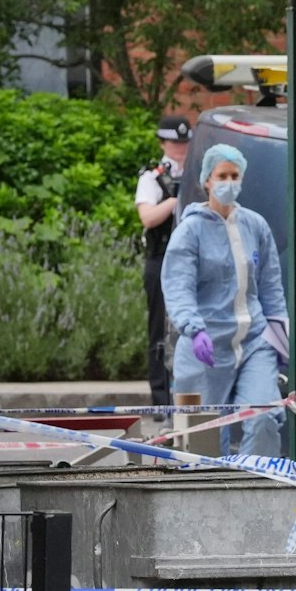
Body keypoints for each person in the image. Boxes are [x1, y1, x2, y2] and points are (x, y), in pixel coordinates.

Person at [160, 143, 289, 457]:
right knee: (201, 438)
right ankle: (206, 498)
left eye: (235, 175)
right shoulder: (190, 232)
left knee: (264, 417)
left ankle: (257, 488)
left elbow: (271, 287)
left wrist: (280, 338)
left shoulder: (255, 226)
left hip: (254, 342)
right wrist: (193, 328)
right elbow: (178, 287)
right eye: (222, 175)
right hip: (205, 345)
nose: (229, 182)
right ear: (207, 180)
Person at [136, 115, 192, 407]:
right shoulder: (152, 176)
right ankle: (161, 401)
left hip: (190, 260)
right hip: (160, 258)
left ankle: (189, 397)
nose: (180, 147)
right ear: (163, 143)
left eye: (184, 141)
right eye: (174, 142)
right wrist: (176, 200)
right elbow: (147, 217)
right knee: (159, 329)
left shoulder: (199, 172)